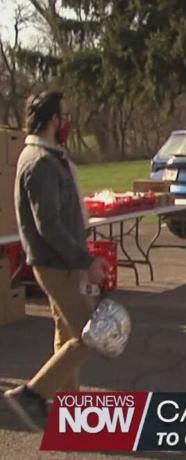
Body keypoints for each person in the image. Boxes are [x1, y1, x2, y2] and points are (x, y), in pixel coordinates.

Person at [4, 91, 109, 431]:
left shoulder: (50, 157)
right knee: (92, 333)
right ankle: (33, 393)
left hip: (64, 261)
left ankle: (71, 410)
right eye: (65, 116)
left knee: (67, 335)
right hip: (57, 264)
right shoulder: (39, 163)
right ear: (53, 121)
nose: (69, 122)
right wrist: (86, 260)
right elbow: (48, 225)